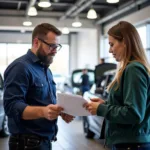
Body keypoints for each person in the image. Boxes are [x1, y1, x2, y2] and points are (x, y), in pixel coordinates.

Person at [3, 23, 74, 150]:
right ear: (36, 42)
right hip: (26, 144)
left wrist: (59, 111)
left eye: (57, 46)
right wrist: (44, 112)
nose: (55, 51)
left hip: (44, 142)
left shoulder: (45, 69)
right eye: (52, 46)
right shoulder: (20, 67)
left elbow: (43, 101)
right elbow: (12, 106)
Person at [84, 21, 150, 150]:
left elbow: (134, 113)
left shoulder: (134, 69)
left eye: (112, 44)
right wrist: (105, 104)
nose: (110, 50)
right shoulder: (129, 69)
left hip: (132, 144)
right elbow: (128, 104)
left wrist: (101, 109)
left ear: (124, 42)